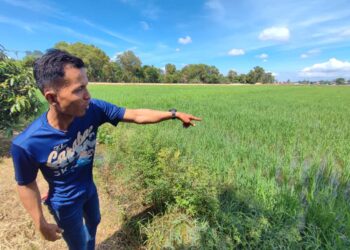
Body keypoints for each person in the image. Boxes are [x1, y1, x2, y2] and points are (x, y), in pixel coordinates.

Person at [11, 49, 201, 250]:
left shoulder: (94, 109)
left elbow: (136, 115)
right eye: (79, 89)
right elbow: (26, 183)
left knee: (94, 222)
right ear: (52, 98)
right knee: (79, 245)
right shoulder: (27, 143)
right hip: (65, 203)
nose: (88, 96)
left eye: (87, 86)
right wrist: (40, 222)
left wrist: (173, 113)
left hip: (88, 189)